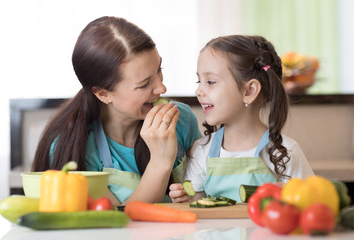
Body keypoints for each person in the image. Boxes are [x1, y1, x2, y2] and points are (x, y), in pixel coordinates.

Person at [32, 16, 202, 205]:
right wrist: (161, 160)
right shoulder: (71, 145)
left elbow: (204, 194)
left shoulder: (182, 119)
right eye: (144, 84)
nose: (162, 88)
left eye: (159, 69)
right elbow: (118, 223)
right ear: (104, 94)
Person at [169, 35, 314, 203]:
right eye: (198, 81)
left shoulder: (285, 151)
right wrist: (185, 198)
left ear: (249, 91)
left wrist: (290, 197)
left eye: (210, 81)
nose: (199, 91)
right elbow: (196, 205)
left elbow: (310, 204)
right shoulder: (202, 151)